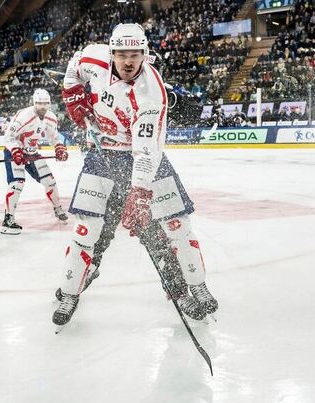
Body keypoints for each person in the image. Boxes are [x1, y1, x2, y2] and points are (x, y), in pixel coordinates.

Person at [53, 23, 218, 327]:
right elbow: (73, 69)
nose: (128, 62)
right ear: (111, 52)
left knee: (174, 226)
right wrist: (73, 93)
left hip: (142, 159)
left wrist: (140, 193)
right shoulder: (93, 57)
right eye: (122, 54)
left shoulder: (151, 94)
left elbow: (146, 151)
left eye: (135, 54)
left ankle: (190, 286)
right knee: (87, 230)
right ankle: (70, 290)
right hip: (103, 157)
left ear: (145, 54)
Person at [1, 88, 69, 235]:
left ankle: (57, 209)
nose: (42, 107)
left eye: (45, 103)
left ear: (49, 104)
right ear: (34, 103)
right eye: (39, 103)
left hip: (31, 153)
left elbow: (54, 137)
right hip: (15, 151)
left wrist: (59, 148)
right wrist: (15, 151)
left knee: (50, 181)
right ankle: (8, 219)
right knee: (17, 183)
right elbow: (8, 137)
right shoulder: (23, 116)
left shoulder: (51, 118)